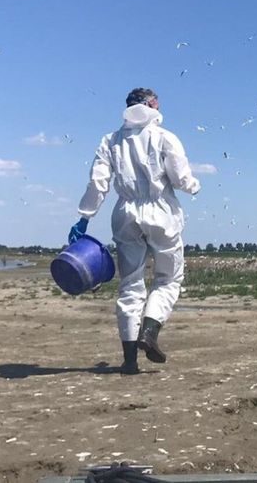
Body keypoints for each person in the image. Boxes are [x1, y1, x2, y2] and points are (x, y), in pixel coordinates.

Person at [70, 88, 201, 374]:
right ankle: (150, 332)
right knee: (168, 278)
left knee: (130, 284)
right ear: (152, 105)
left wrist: (84, 218)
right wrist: (194, 185)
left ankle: (129, 360)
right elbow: (180, 178)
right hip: (161, 212)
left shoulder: (111, 140)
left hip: (125, 213)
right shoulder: (165, 137)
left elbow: (98, 183)